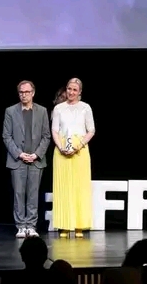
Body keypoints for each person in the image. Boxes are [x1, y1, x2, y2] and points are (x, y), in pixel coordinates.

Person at [2, 80, 51, 238]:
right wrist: (19, 154)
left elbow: (46, 136)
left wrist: (36, 154)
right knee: (18, 194)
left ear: (33, 93)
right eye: (21, 92)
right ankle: (21, 226)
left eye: (27, 92)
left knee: (33, 194)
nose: (24, 95)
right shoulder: (10, 111)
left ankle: (31, 226)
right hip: (17, 160)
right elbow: (6, 136)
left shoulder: (42, 111)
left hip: (36, 160)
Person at [51, 78, 95, 238]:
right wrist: (60, 146)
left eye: (75, 90)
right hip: (61, 150)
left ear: (80, 92)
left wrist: (79, 145)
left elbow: (91, 130)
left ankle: (79, 226)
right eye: (69, 89)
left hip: (80, 151)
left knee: (79, 187)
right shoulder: (58, 108)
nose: (71, 92)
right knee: (63, 187)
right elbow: (55, 130)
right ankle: (64, 225)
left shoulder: (85, 108)